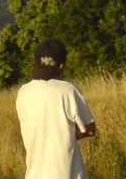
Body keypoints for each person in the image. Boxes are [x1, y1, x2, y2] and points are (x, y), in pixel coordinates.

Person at [16, 40, 97, 179]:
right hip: (68, 173)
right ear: (62, 66)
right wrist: (68, 134)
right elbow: (90, 128)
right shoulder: (67, 90)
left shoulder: (23, 92)